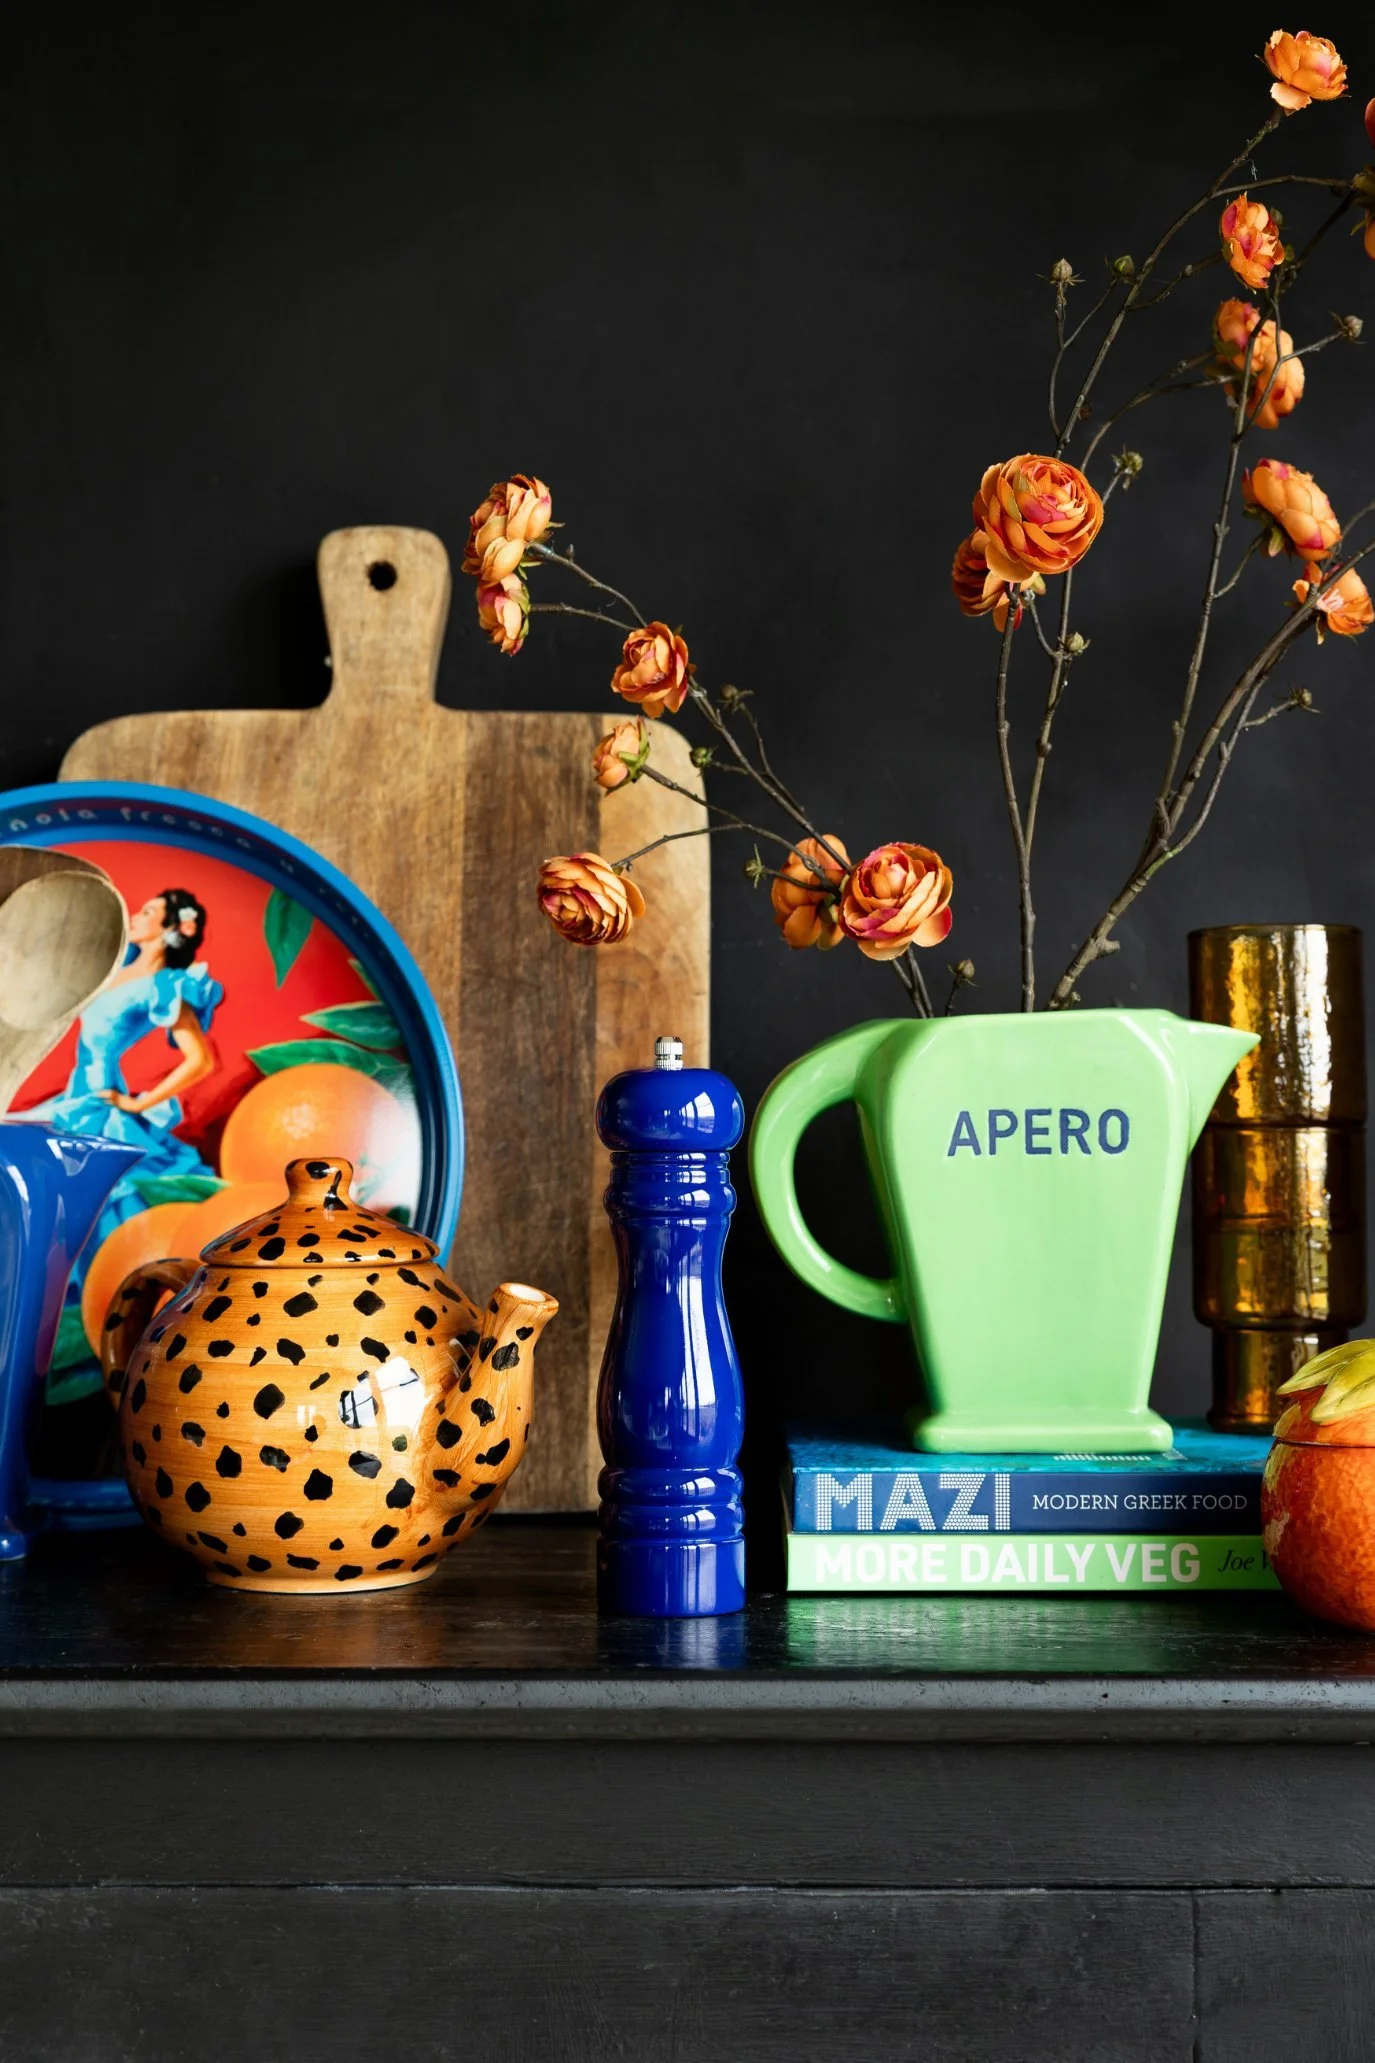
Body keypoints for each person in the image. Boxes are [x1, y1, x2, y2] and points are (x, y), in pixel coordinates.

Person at [24, 886, 224, 1273]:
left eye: (148, 911)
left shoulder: (163, 985)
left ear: (169, 929)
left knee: (106, 1200)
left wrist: (138, 1103)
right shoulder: (119, 969)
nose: (135, 915)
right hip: (74, 1097)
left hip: (99, 1103)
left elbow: (200, 1060)